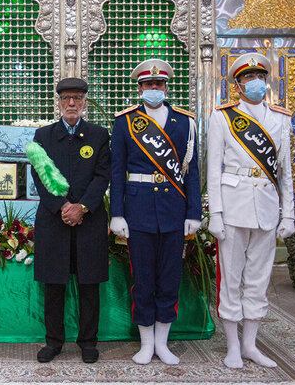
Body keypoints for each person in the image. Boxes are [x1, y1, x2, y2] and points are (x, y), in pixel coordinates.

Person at [109, 59, 201, 365]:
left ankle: (163, 343)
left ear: (166, 87)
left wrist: (194, 213)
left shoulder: (185, 122)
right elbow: (117, 171)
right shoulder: (125, 122)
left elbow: (193, 172)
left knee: (169, 278)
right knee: (144, 280)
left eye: (159, 84)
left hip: (174, 211)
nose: (154, 89)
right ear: (139, 88)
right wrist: (117, 214)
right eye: (148, 85)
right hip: (138, 210)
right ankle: (146, 344)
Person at [206, 52, 295, 369]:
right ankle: (232, 346)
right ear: (238, 84)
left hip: (268, 209)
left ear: (266, 81)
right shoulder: (223, 117)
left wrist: (289, 215)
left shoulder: (281, 119)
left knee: (258, 280)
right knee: (231, 280)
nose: (255, 82)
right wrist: (214, 214)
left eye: (259, 77)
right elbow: (213, 171)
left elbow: (285, 174)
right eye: (248, 78)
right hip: (233, 208)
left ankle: (250, 345)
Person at [31, 78, 111, 364]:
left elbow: (102, 176)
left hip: (88, 222)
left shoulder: (99, 135)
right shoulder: (43, 136)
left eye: (77, 98)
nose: (72, 104)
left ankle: (88, 342)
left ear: (85, 102)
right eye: (66, 98)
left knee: (89, 284)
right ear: (59, 102)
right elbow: (40, 176)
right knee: (55, 284)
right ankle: (53, 341)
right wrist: (63, 206)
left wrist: (83, 207)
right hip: (55, 221)